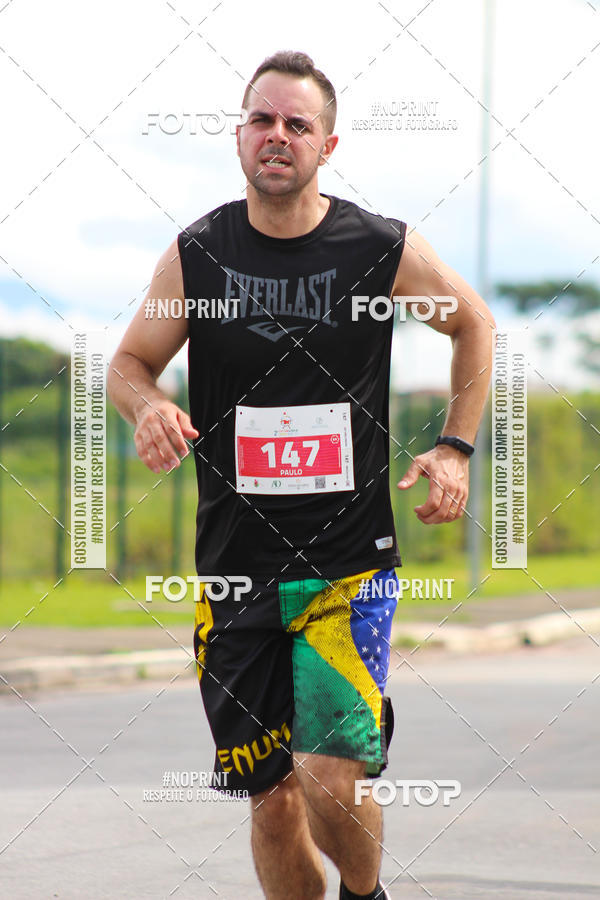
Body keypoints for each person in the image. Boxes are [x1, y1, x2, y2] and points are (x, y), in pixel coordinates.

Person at [108, 49, 495, 900]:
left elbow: (474, 326)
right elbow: (130, 362)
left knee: (327, 777)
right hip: (236, 574)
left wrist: (454, 449)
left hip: (349, 567)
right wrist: (147, 409)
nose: (276, 135)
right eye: (261, 119)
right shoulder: (199, 255)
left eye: (296, 123)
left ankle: (367, 897)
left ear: (327, 145)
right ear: (239, 136)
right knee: (272, 800)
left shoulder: (377, 247)